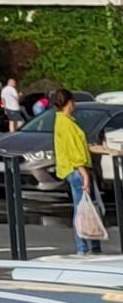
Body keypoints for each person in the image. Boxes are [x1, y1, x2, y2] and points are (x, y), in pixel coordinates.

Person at [53, 89, 103, 255]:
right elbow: (73, 152)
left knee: (86, 208)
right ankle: (85, 246)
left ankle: (91, 244)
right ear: (70, 102)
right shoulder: (66, 124)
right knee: (83, 209)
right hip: (77, 171)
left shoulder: (64, 121)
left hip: (74, 169)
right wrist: (85, 175)